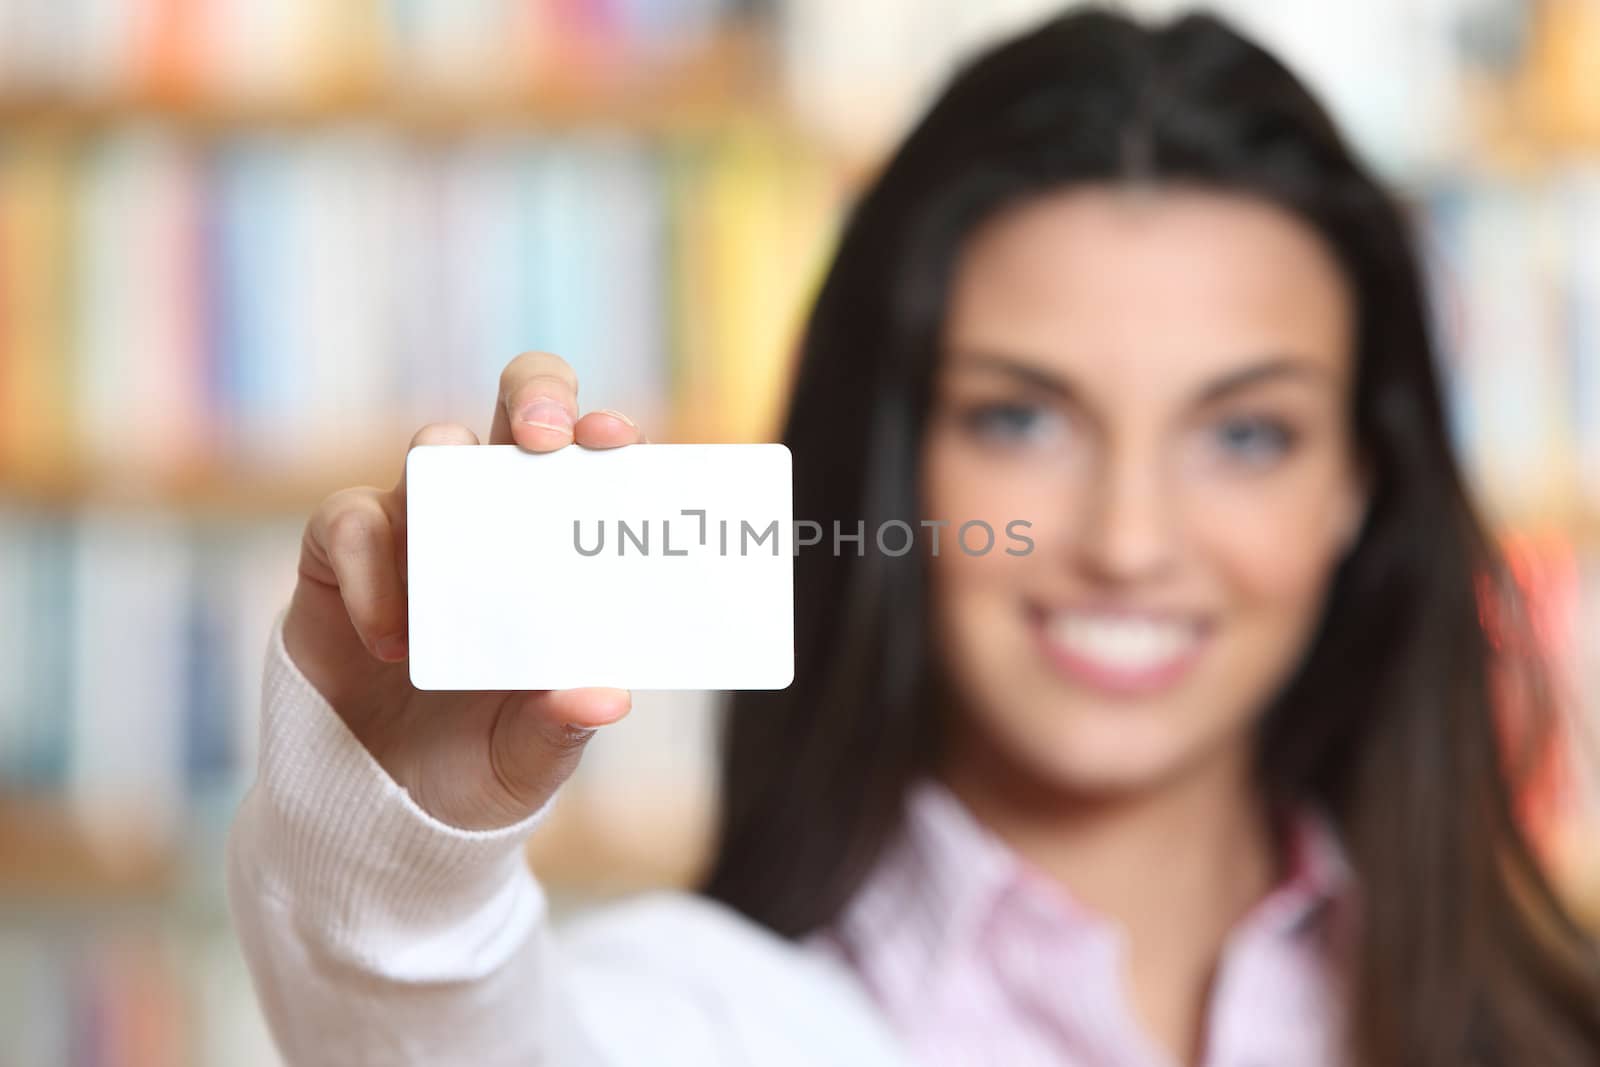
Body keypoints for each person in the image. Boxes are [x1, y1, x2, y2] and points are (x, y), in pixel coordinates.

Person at [226, 8, 1600, 1066]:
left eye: (1245, 435)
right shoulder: (700, 1021)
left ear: (1360, 485)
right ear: (891, 466)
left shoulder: (1547, 1016)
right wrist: (398, 858)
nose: (1127, 540)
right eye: (1020, 420)